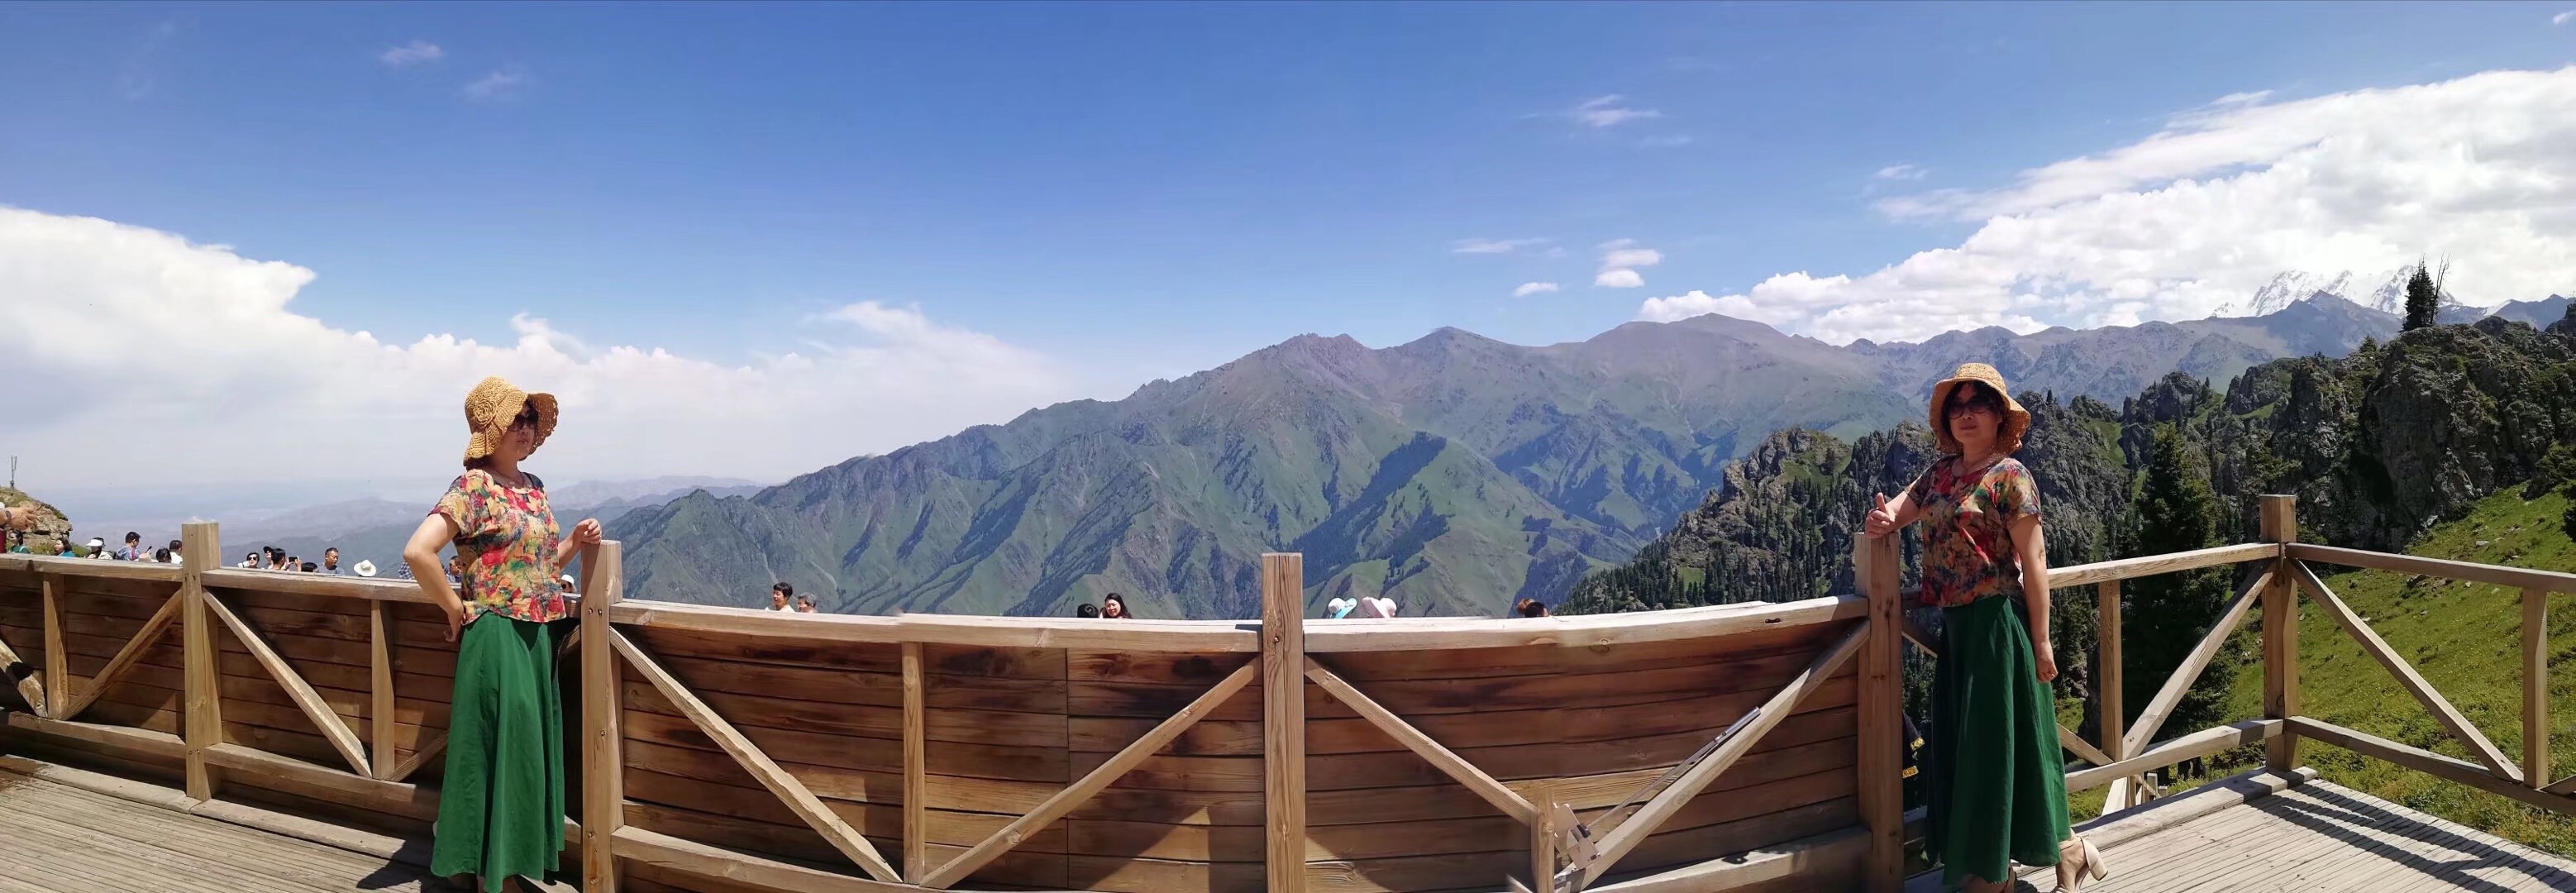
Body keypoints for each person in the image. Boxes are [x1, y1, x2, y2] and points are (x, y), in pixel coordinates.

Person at [1863, 363, 2101, 893]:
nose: (1966, 413)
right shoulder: (1940, 474)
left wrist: (2042, 641)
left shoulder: (2012, 477)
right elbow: (1902, 508)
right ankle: (2067, 851)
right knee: (1979, 746)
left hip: (1997, 626)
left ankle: (1994, 876)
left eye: (1979, 404)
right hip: (1958, 630)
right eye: (1958, 405)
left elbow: (2034, 562)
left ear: (1999, 416)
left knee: (1998, 747)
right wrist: (1883, 519)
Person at [401, 376, 597, 893]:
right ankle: (496, 874)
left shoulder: (533, 487)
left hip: (535, 637)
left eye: (530, 419)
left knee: (520, 752)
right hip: (495, 635)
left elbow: (535, 570)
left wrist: (574, 543)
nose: (525, 429)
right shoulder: (471, 487)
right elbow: (418, 551)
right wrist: (455, 608)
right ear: (491, 430)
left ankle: (479, 863)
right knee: (497, 752)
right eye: (516, 420)